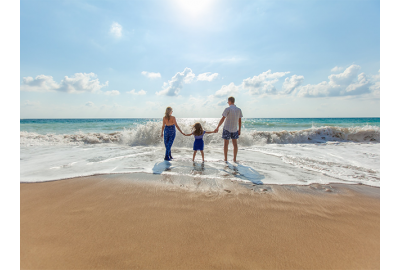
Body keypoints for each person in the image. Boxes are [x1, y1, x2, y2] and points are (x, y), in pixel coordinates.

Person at [214, 96, 243, 162]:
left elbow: (223, 119)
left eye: (228, 102)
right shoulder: (239, 109)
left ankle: (226, 159)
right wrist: (239, 130)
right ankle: (234, 159)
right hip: (235, 129)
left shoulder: (227, 109)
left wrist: (217, 127)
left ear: (230, 101)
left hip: (227, 128)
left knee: (226, 144)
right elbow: (240, 121)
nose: (228, 103)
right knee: (235, 144)